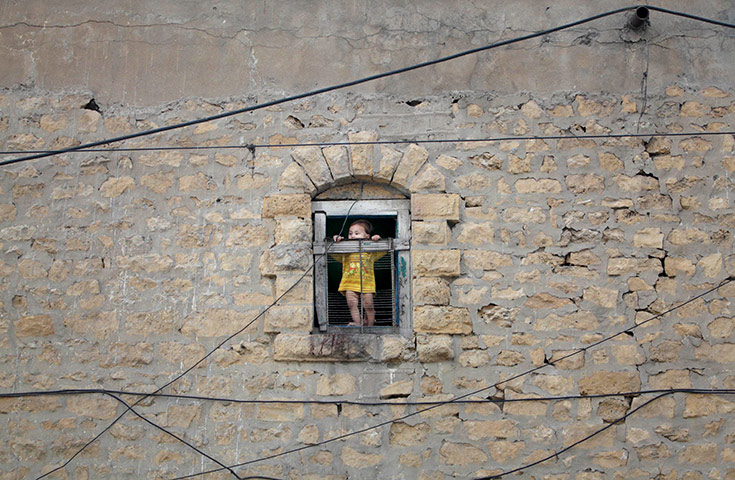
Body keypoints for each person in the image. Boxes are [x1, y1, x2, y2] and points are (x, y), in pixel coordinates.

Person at [332, 220, 385, 326]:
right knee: (352, 304)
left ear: (366, 236)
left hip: (367, 284)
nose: (352, 236)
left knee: (368, 305)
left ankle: (370, 326)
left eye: (357, 233)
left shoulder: (369, 252)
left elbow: (383, 250)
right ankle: (358, 323)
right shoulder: (347, 251)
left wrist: (378, 241)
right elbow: (334, 253)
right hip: (349, 284)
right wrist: (337, 243)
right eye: (350, 233)